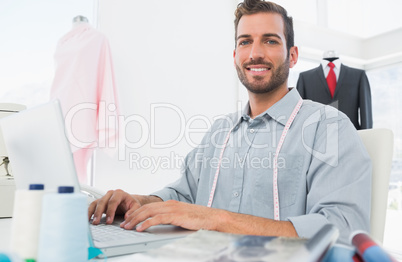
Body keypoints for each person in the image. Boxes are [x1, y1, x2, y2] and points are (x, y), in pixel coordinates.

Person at [88, 0, 371, 244]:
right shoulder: (219, 132)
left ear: (292, 55)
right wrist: (139, 202)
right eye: (245, 41)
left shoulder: (328, 127)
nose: (255, 53)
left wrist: (215, 218)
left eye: (270, 40)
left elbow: (341, 233)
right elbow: (183, 193)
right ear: (235, 56)